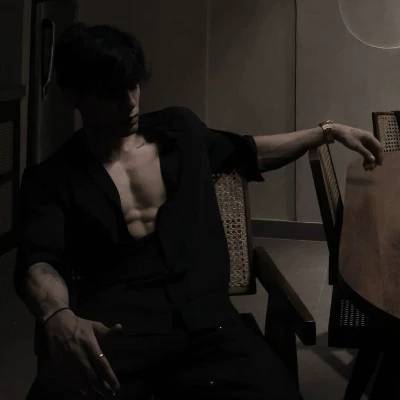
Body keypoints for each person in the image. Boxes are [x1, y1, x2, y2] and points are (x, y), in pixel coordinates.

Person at [14, 23, 383, 400]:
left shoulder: (180, 131)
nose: (130, 103)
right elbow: (38, 260)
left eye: (133, 86)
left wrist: (328, 131)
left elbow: (252, 151)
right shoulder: (51, 178)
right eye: (111, 94)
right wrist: (56, 313)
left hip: (211, 330)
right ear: (74, 96)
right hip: (117, 338)